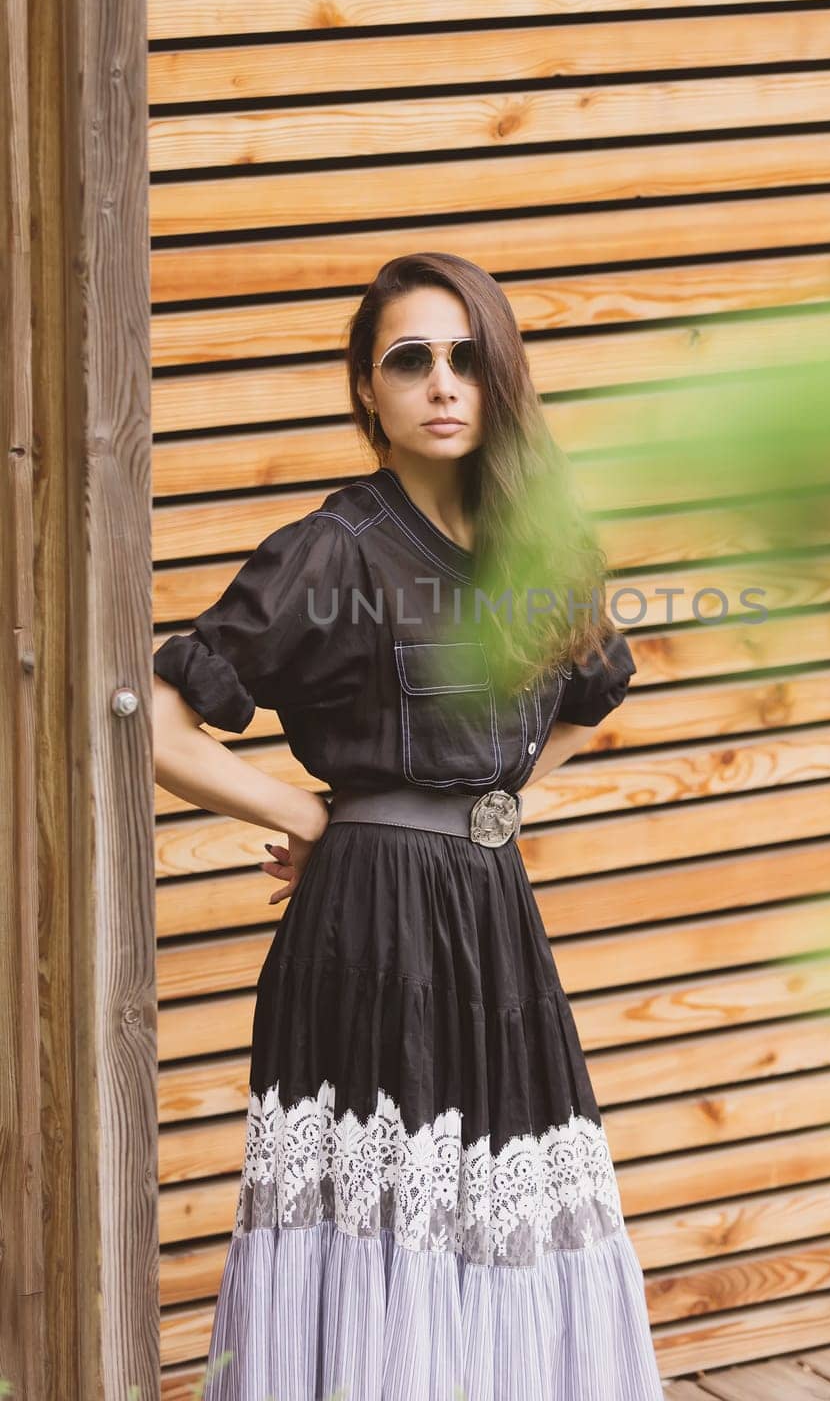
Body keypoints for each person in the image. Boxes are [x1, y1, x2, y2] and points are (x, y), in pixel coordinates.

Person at [153, 251, 664, 1401]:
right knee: (390, 1223)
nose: (443, 383)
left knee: (501, 1206)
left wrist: (493, 802)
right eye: (410, 359)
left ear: (501, 381)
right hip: (367, 930)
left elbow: (592, 694)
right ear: (367, 390)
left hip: (492, 920)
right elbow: (161, 720)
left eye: (467, 358)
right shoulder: (331, 548)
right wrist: (314, 814)